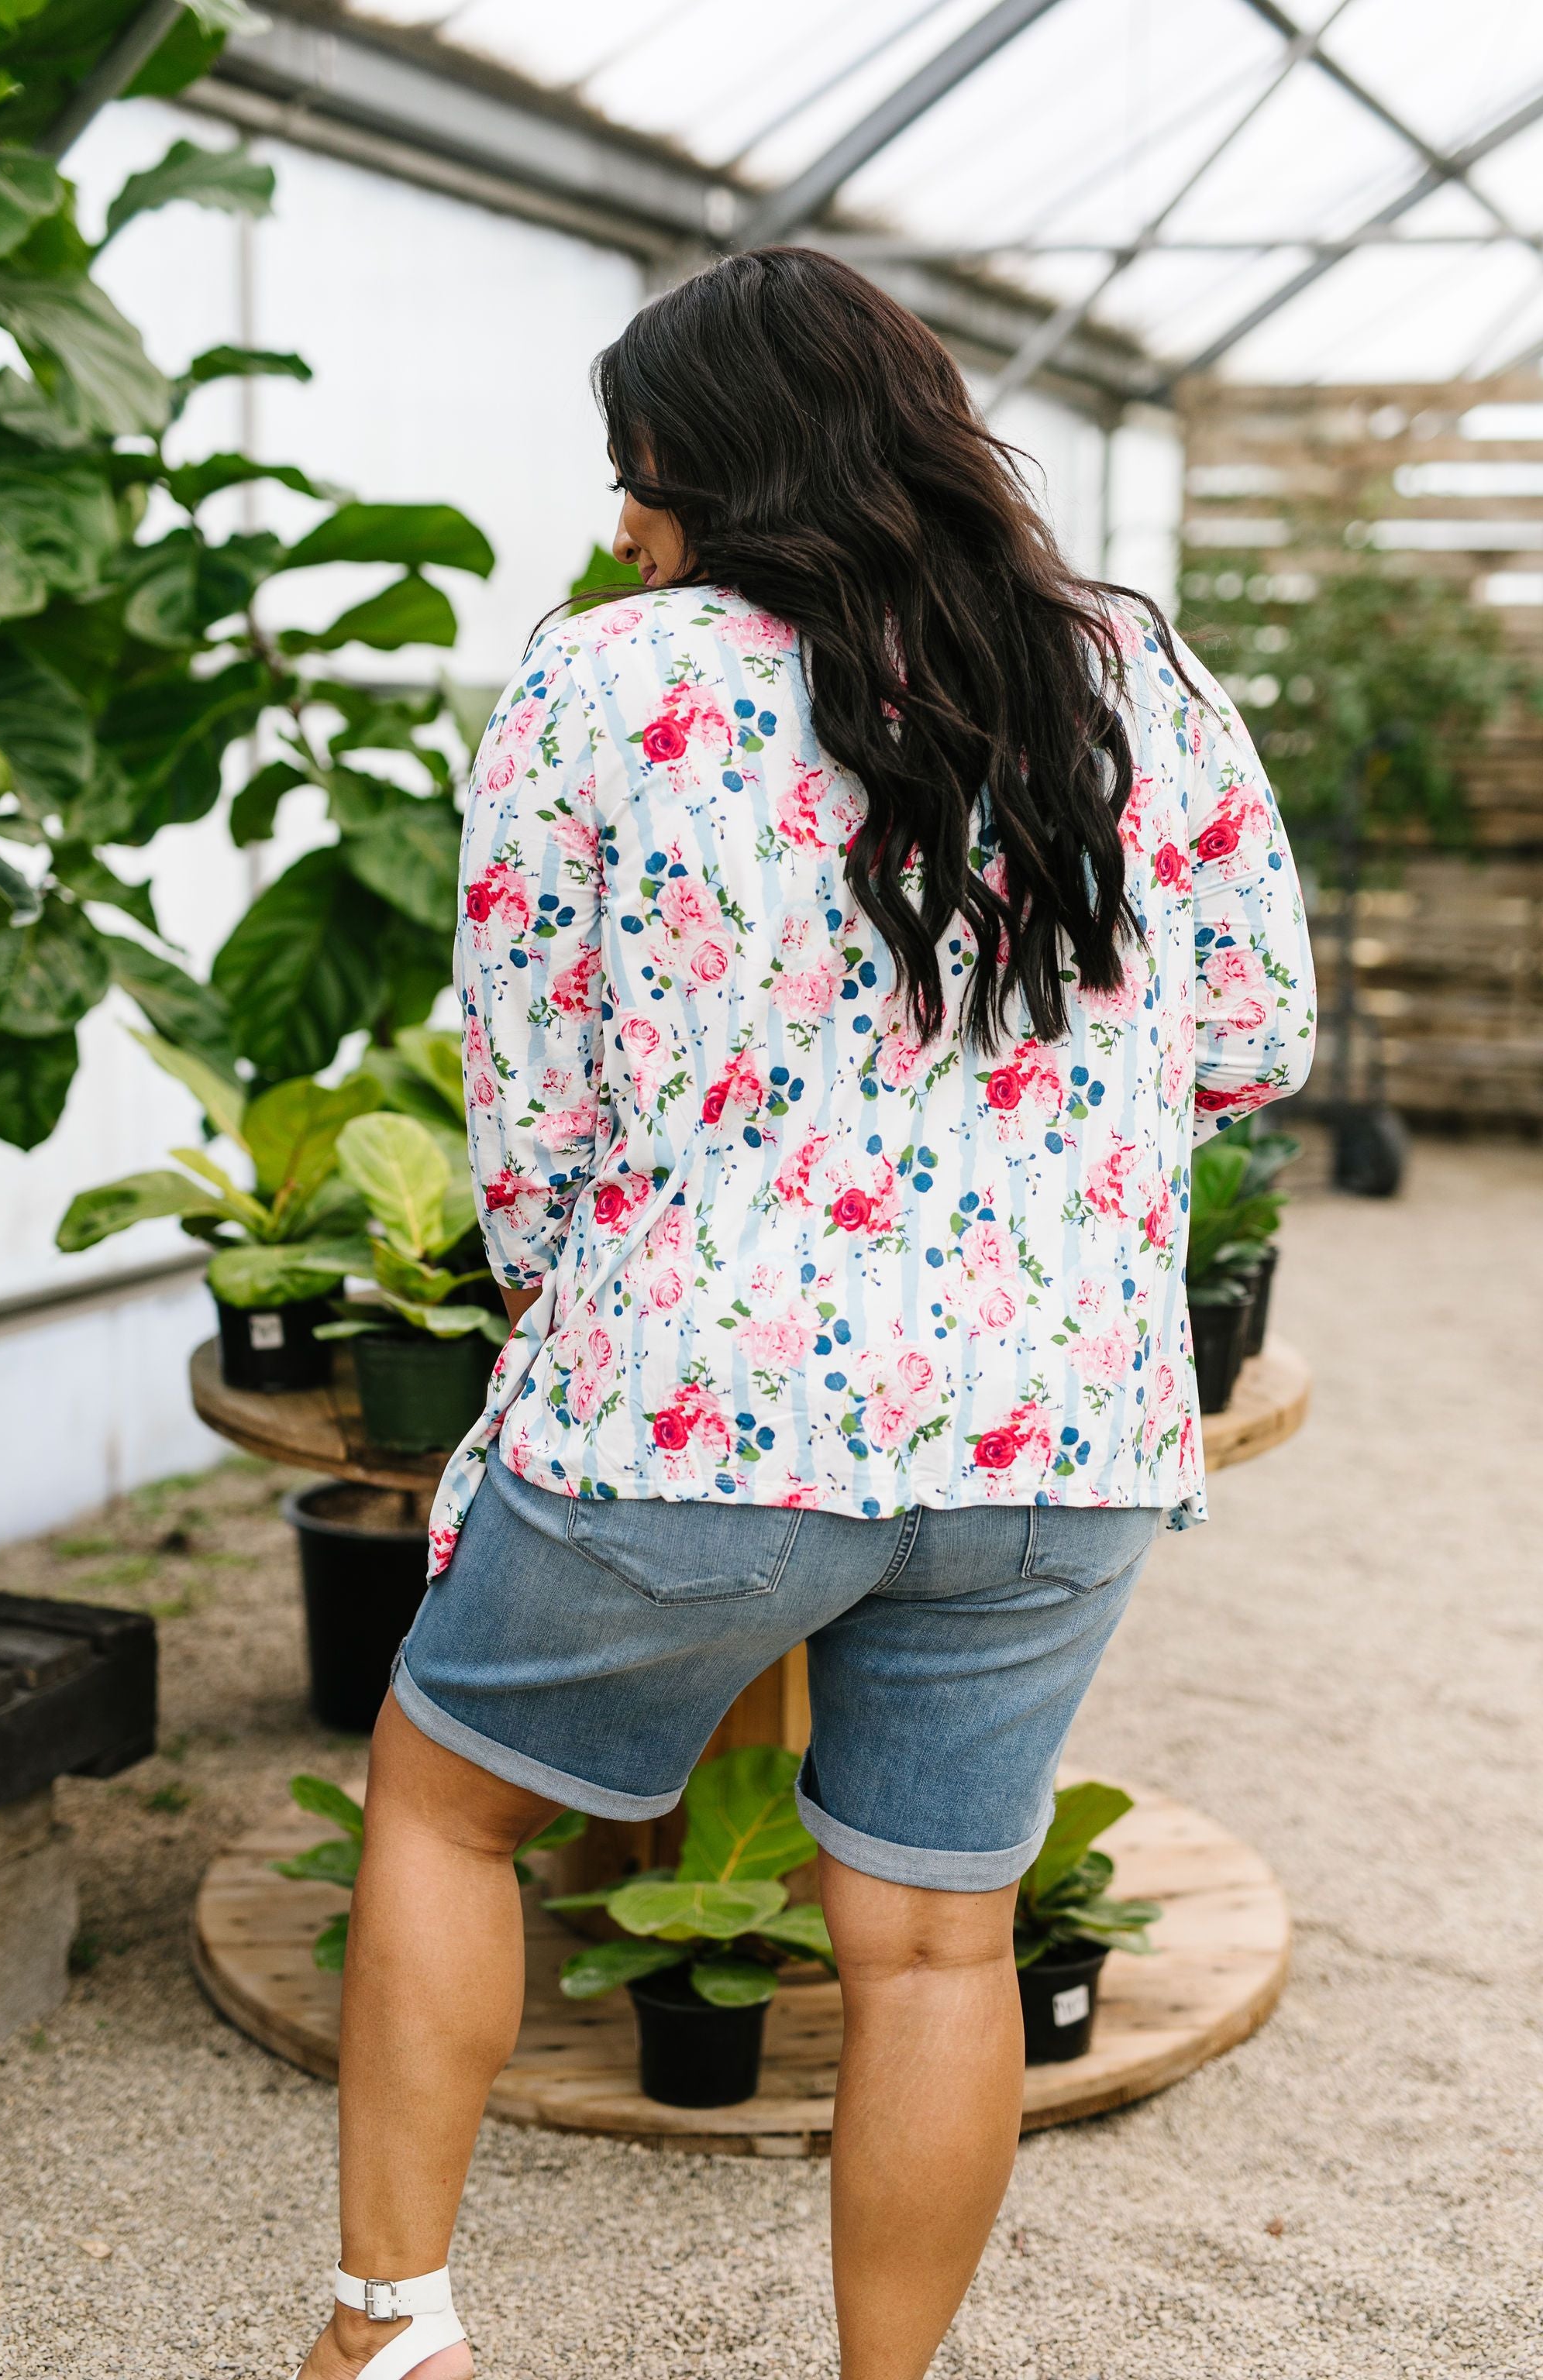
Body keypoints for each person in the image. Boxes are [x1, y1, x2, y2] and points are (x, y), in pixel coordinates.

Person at [294, 247, 1314, 2380]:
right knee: (939, 1945)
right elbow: (1253, 1038)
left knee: (448, 1800)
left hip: (701, 1403)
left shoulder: (607, 678)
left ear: (703, 459)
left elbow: (535, 1096)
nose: (620, 517)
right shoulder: (1134, 667)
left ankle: (390, 2338)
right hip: (1066, 1427)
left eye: (631, 470)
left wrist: (584, 1312)